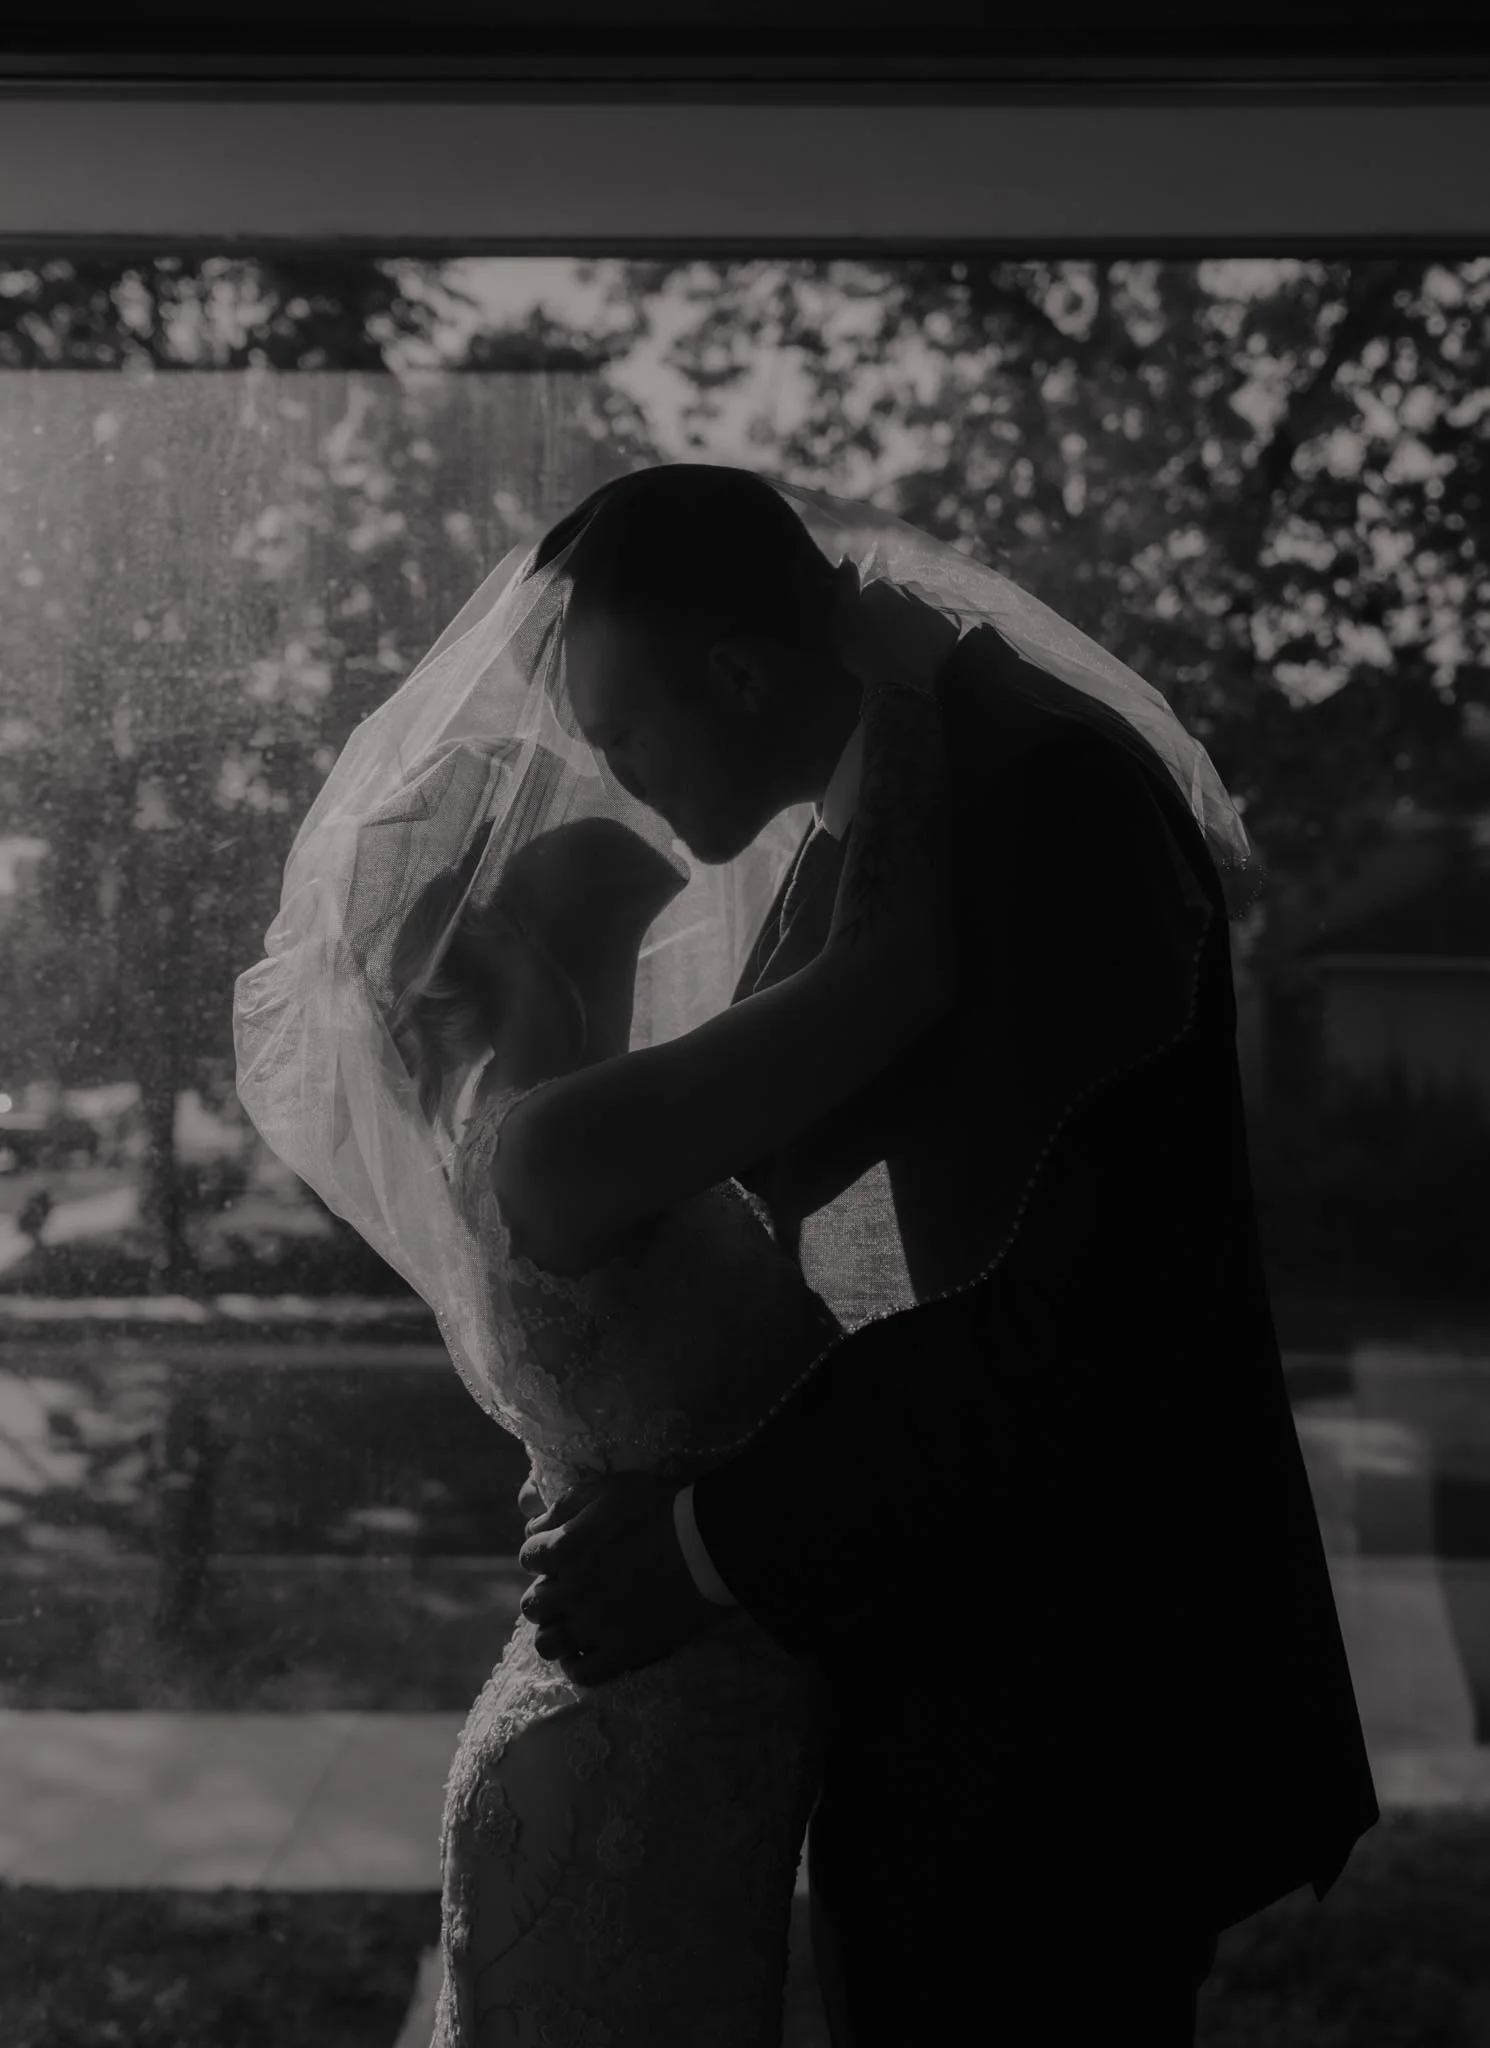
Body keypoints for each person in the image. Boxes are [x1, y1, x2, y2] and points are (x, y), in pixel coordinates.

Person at [509, 464, 1382, 2046]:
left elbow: (1069, 1322)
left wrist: (705, 1544)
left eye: (622, 732)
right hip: (944, 1679)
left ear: (739, 675)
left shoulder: (1041, 800)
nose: (614, 780)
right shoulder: (907, 804)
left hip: (1066, 1721)